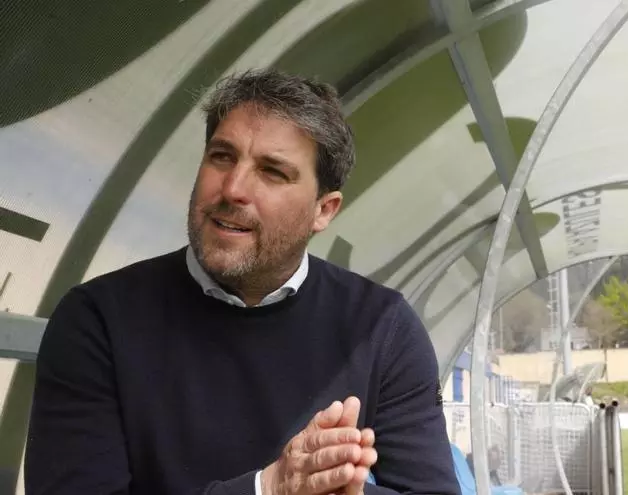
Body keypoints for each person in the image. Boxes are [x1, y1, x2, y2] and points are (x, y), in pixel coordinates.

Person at [24, 69, 460, 495]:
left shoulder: (381, 328)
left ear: (323, 210)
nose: (233, 188)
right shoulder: (99, 320)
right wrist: (267, 489)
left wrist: (340, 486)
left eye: (272, 171)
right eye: (222, 156)